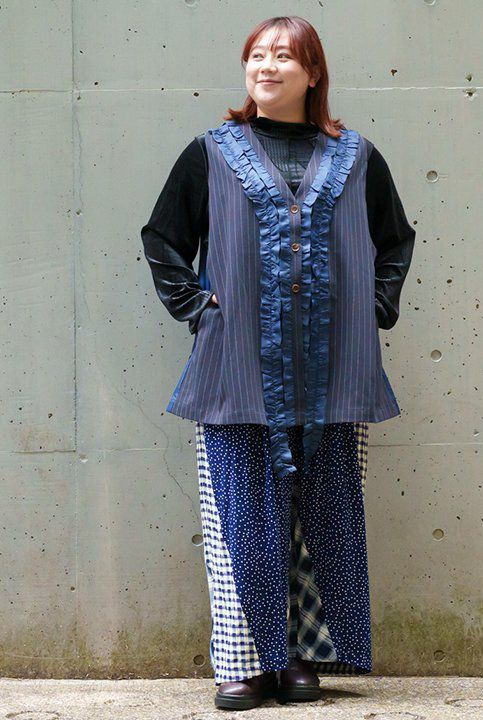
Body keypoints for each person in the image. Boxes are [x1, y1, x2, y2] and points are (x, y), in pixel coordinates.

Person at [141, 15, 415, 712]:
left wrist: (374, 308)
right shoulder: (211, 153)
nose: (266, 66)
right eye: (257, 55)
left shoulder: (356, 156)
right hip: (236, 371)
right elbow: (163, 238)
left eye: (283, 56)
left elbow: (394, 240)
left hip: (335, 373)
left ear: (312, 72)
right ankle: (244, 663)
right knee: (239, 520)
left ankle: (299, 657)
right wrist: (198, 307)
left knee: (323, 515)